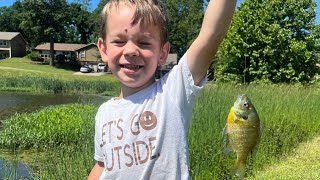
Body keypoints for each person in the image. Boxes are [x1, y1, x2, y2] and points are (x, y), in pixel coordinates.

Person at [88, 0, 236, 179]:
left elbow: (210, 36)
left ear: (163, 53)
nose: (131, 51)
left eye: (144, 42)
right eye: (119, 41)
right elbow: (102, 164)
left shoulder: (172, 91)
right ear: (103, 49)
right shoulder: (104, 112)